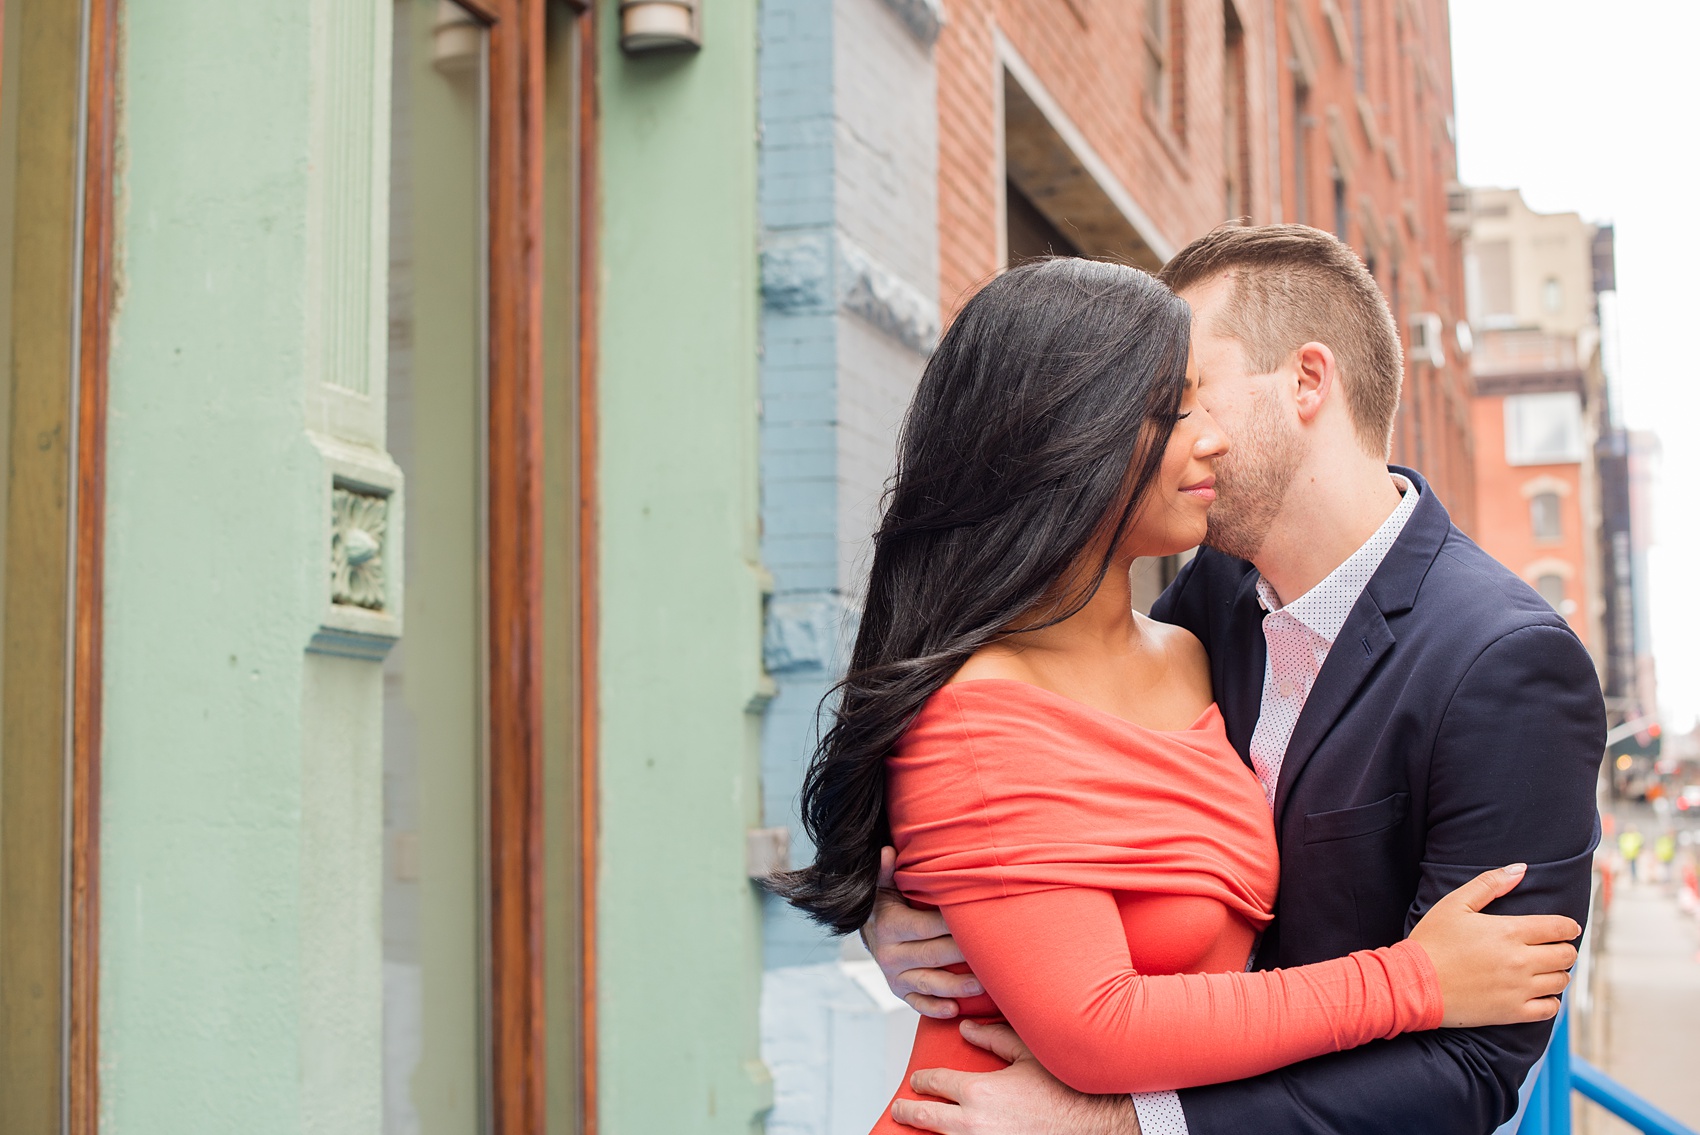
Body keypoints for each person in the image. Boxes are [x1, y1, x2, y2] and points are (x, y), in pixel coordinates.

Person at [776, 247, 1593, 1134]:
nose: (1196, 431)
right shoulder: (1214, 597)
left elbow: (1470, 1066)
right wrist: (909, 907)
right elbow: (1018, 802)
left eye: (1194, 388)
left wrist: (1123, 1124)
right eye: (1167, 407)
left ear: (1306, 382)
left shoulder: (1502, 663)